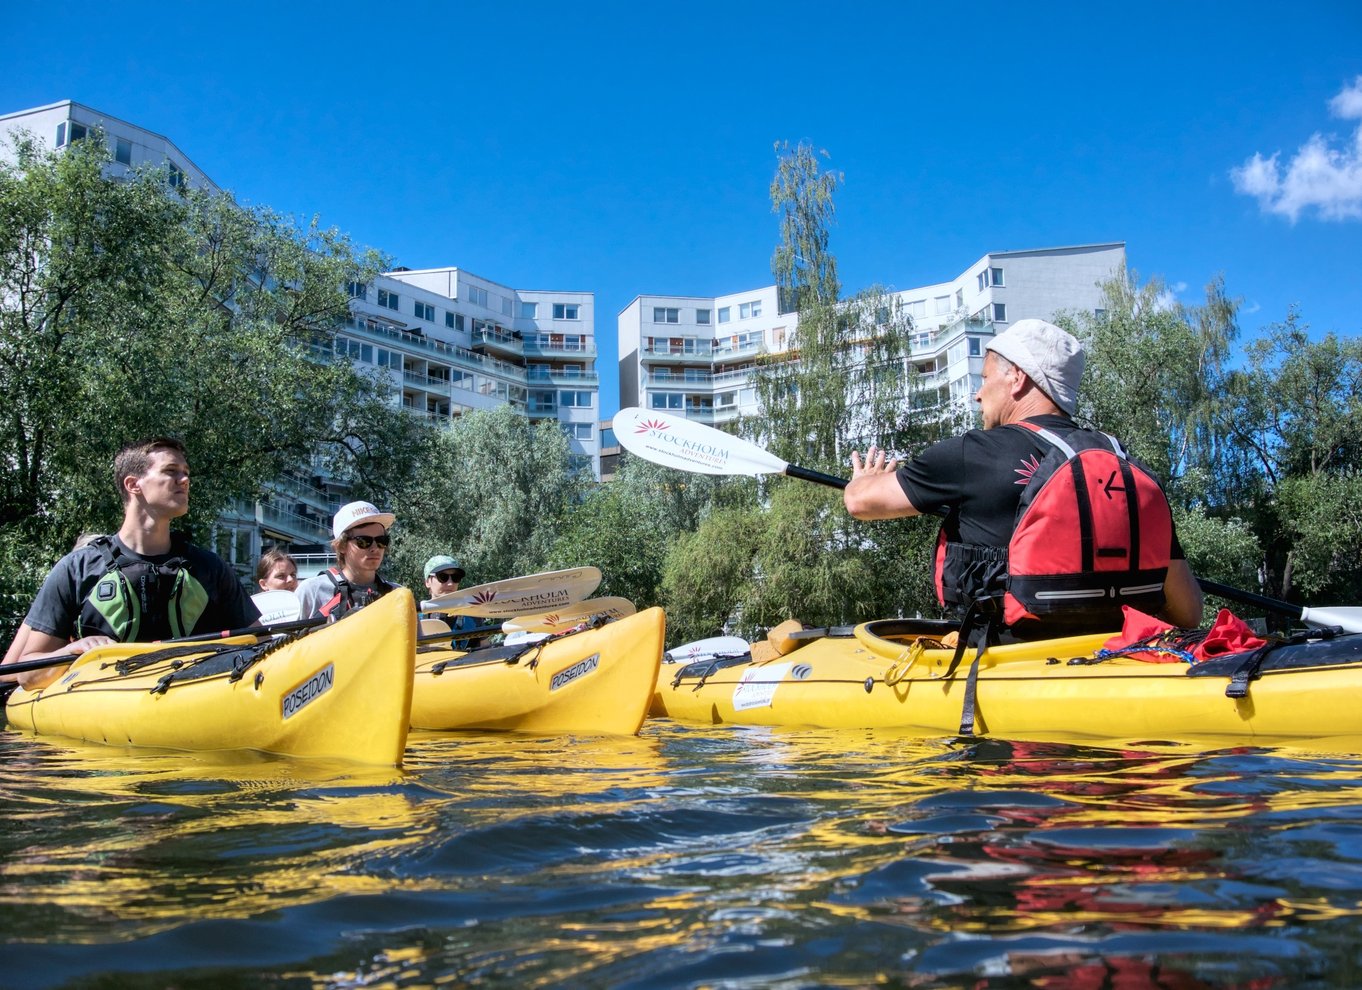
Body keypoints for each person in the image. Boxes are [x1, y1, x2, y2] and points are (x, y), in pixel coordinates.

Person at [843, 319, 1203, 638]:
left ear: (1017, 377)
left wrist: (863, 478)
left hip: (1006, 673)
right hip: (1110, 666)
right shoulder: (1125, 469)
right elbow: (1188, 612)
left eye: (984, 378)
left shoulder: (971, 453)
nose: (978, 393)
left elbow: (861, 503)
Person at [13, 439, 260, 690]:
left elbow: (262, 644)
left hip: (192, 701)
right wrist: (72, 649)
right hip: (104, 709)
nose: (185, 480)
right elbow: (27, 675)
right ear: (133, 484)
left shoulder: (210, 568)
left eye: (186, 473)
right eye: (170, 471)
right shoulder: (76, 568)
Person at [296, 501, 398, 621]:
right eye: (364, 541)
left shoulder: (396, 594)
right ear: (341, 546)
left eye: (382, 541)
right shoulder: (312, 591)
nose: (375, 548)